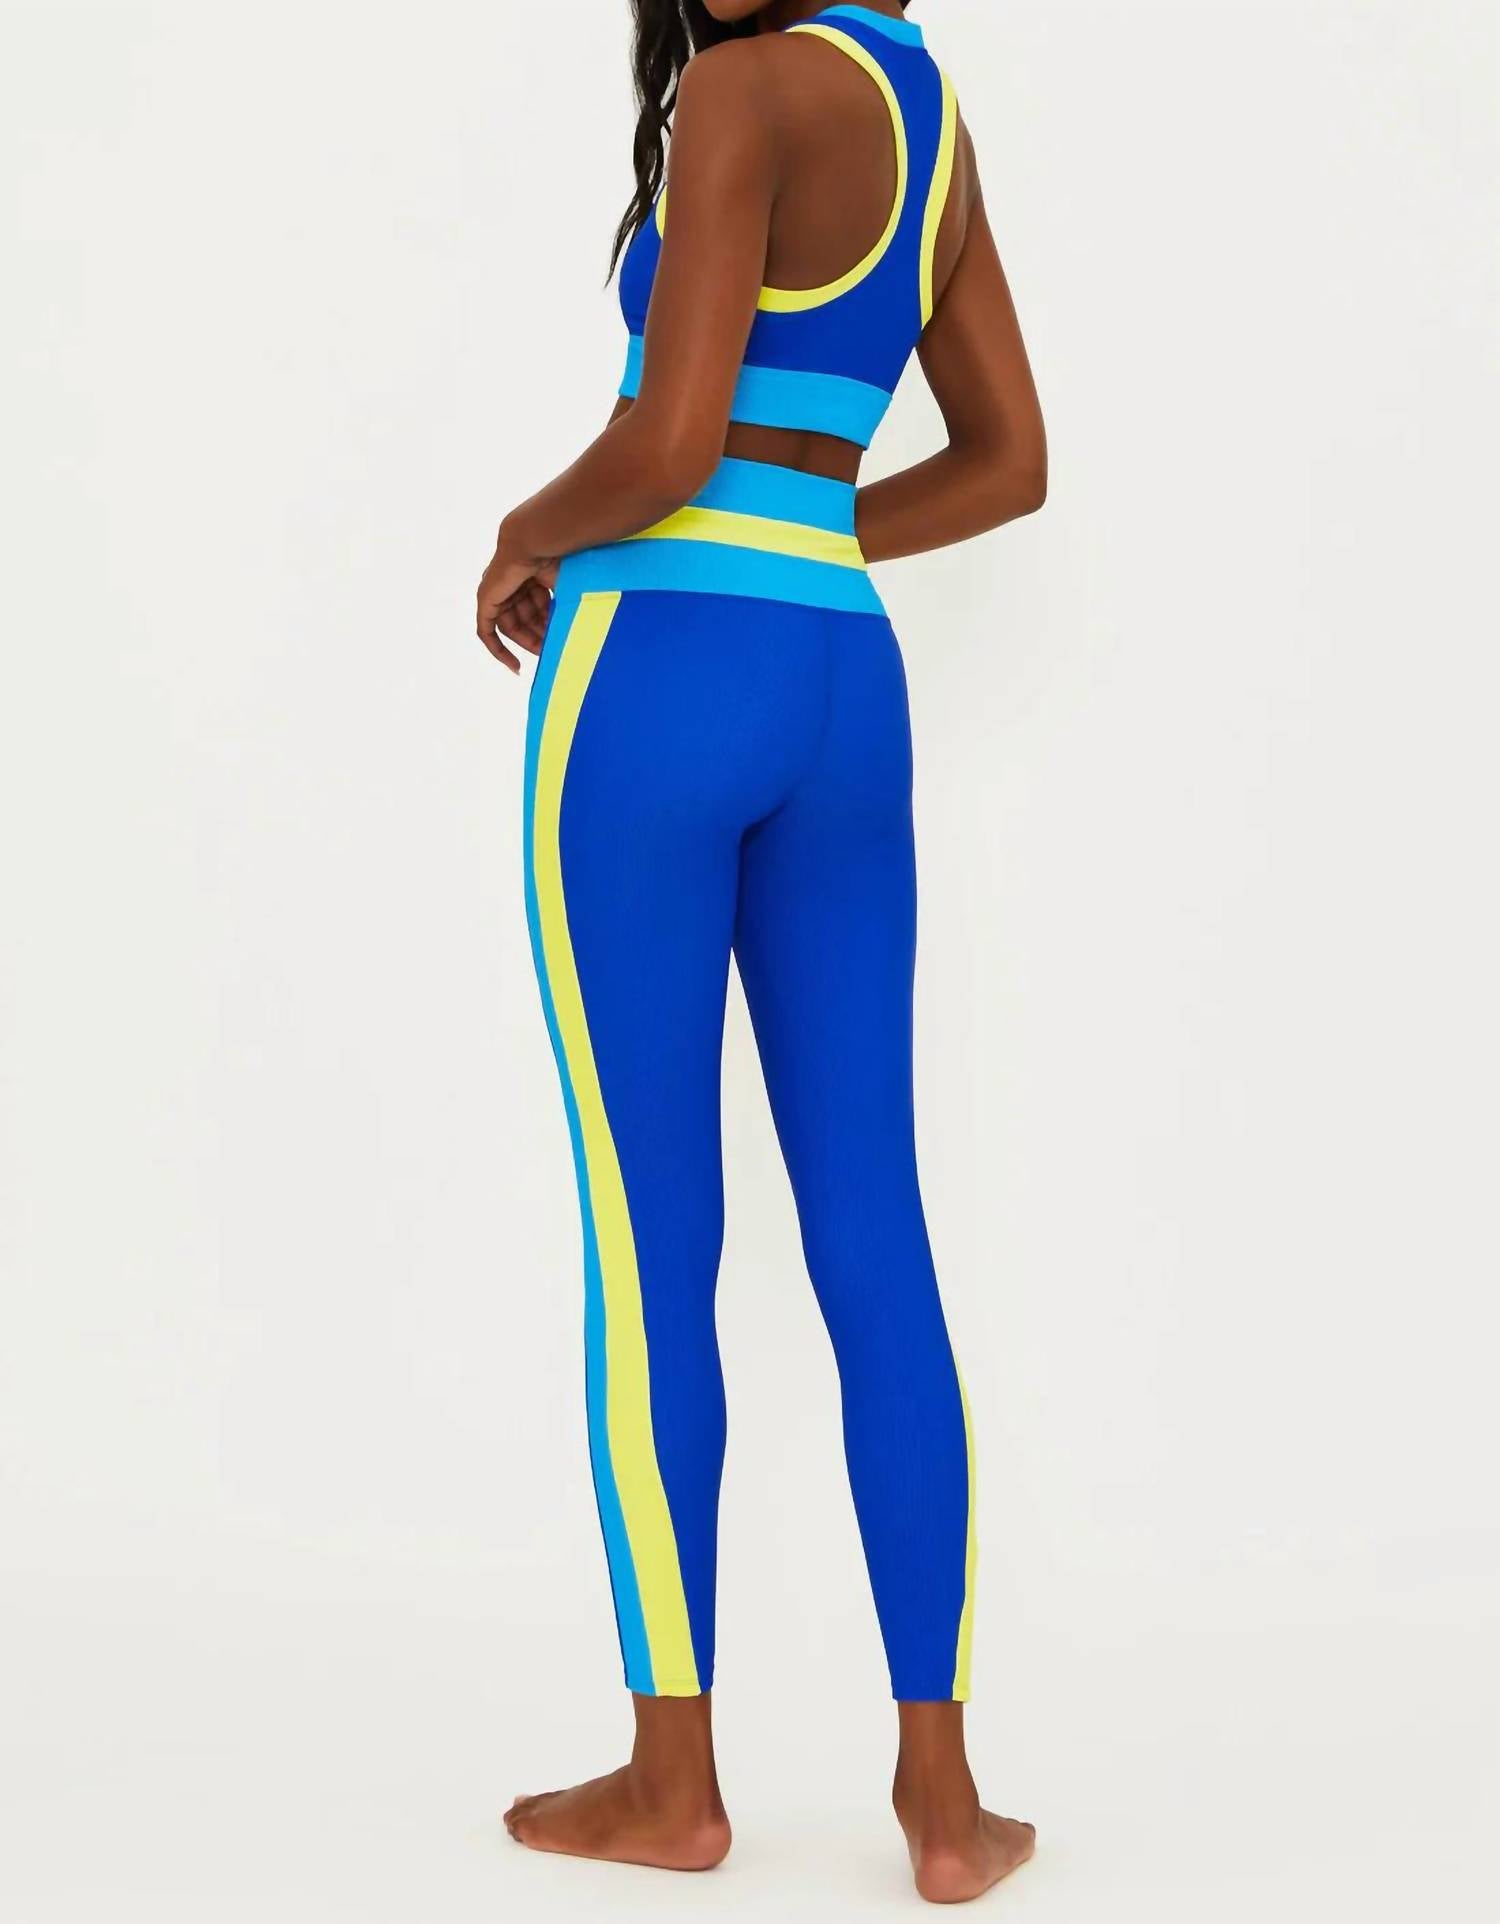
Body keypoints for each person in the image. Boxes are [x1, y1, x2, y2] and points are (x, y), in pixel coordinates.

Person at [476, 1, 1046, 1902]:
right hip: (840, 690)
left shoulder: (735, 89)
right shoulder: (927, 112)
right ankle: (945, 1804)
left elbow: (667, 442)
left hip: (653, 681)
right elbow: (1009, 461)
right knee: (875, 1229)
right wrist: (803, 529)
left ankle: (673, 1785)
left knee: (653, 1242)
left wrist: (521, 530)